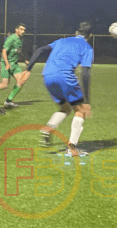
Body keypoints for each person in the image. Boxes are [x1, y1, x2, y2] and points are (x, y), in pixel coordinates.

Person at [25, 22, 94, 157]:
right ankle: (71, 148)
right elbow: (85, 73)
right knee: (80, 110)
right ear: (90, 35)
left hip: (47, 75)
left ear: (76, 32)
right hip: (65, 76)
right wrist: (86, 100)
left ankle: (48, 129)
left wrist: (28, 69)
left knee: (65, 108)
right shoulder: (87, 47)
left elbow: (40, 50)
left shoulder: (62, 40)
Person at [0, 23, 30, 108]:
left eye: (24, 30)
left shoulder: (21, 40)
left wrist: (24, 60)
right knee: (4, 85)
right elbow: (4, 52)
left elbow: (19, 51)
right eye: (21, 29)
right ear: (16, 30)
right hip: (6, 63)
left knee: (21, 80)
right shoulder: (11, 39)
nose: (23, 31)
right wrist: (7, 63)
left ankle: (8, 101)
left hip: (14, 64)